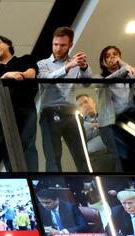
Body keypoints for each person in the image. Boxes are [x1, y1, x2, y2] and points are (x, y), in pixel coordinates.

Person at [36, 27, 91, 172]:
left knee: (82, 155)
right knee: (53, 157)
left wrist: (84, 67)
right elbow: (47, 79)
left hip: (71, 113)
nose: (58, 48)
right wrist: (68, 67)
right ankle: (56, 189)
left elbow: (87, 83)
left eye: (62, 45)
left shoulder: (75, 63)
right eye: (55, 44)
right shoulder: (42, 64)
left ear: (70, 45)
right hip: (49, 113)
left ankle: (90, 188)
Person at [0, 35, 38, 171]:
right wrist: (7, 76)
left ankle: (31, 178)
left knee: (28, 144)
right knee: (7, 146)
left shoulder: (25, 59)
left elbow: (31, 74)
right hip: (3, 113)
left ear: (7, 44)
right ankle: (15, 176)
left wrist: (18, 75)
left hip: (25, 108)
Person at [75, 93, 117, 172]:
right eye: (80, 105)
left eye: (86, 102)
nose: (84, 105)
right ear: (79, 111)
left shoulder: (107, 116)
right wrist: (92, 125)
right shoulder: (78, 127)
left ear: (94, 103)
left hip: (115, 152)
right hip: (96, 160)